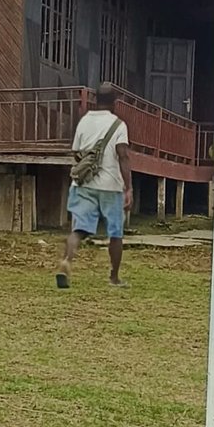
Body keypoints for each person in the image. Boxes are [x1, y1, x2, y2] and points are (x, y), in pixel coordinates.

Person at [57, 81, 132, 288]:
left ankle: (66, 261)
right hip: (111, 186)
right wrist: (128, 188)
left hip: (83, 184)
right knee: (115, 233)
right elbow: (123, 156)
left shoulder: (84, 121)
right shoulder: (119, 125)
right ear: (115, 102)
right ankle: (114, 278)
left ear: (95, 99)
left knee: (79, 229)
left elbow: (76, 153)